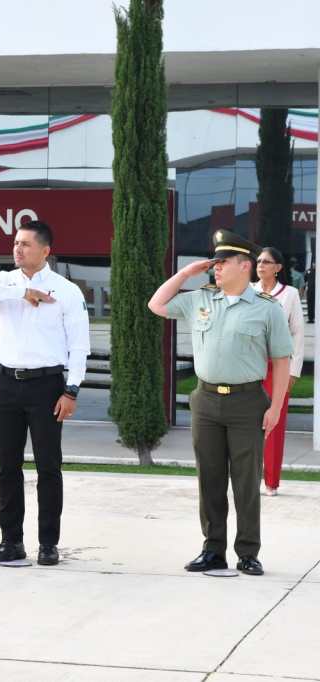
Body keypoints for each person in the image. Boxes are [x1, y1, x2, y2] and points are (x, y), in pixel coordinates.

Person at [148, 229, 292, 577]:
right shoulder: (201, 299)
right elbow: (156, 304)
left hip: (247, 402)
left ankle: (248, 553)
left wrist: (275, 408)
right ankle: (213, 550)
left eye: (223, 262)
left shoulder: (267, 309)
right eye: (215, 262)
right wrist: (186, 273)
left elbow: (282, 361)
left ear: (245, 266)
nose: (216, 267)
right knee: (210, 479)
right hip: (207, 401)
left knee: (246, 482)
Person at [0, 220, 90, 567]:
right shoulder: (4, 282)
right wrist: (20, 293)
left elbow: (79, 346)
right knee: (8, 466)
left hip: (46, 386)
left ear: (45, 250)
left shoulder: (66, 291)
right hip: (6, 384)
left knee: (48, 467)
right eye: (16, 243)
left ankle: (48, 543)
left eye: (26, 244)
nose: (18, 249)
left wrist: (71, 390)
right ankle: (11, 541)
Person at [253, 247, 304, 495]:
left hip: (278, 367)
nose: (260, 265)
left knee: (273, 424)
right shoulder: (247, 291)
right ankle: (247, 479)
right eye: (258, 261)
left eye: (266, 262)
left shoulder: (290, 294)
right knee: (247, 424)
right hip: (249, 365)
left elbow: (297, 332)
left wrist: (294, 371)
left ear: (278, 268)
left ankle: (271, 482)